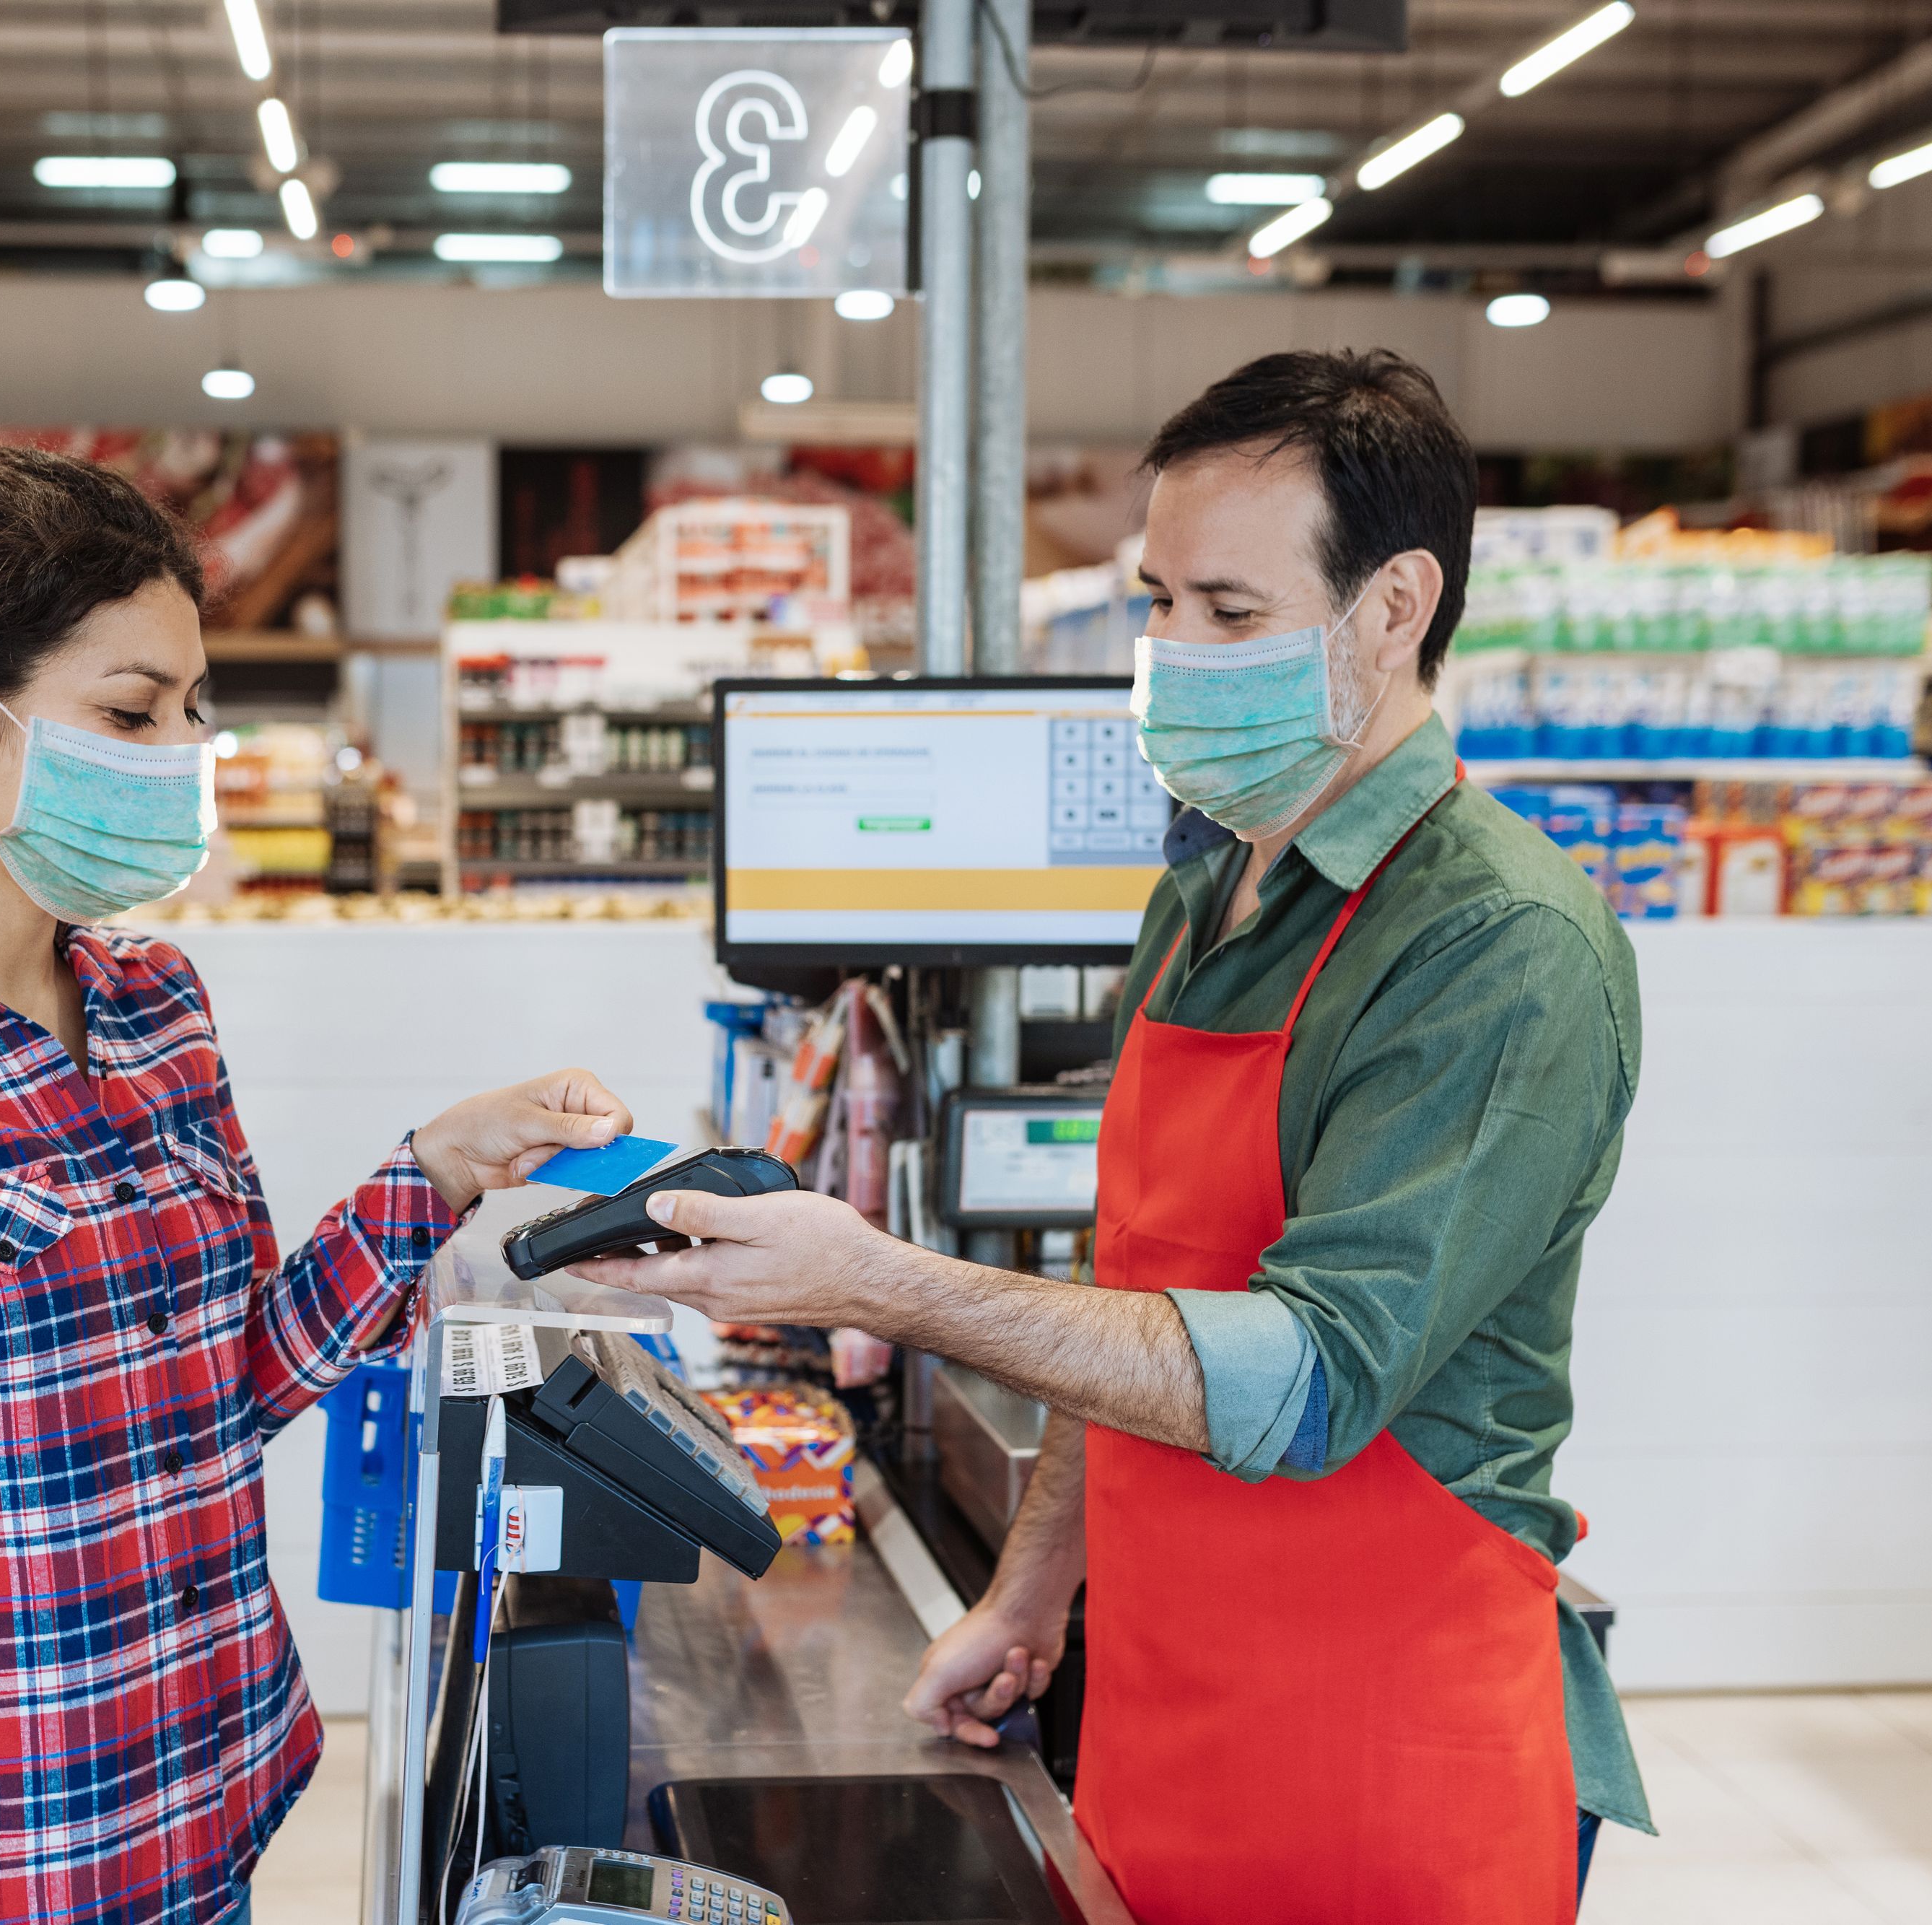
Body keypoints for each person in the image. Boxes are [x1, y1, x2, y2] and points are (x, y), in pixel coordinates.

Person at [571, 351, 1651, 1924]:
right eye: (1158, 602)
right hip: (1158, 1714)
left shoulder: (1497, 944)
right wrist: (1032, 1588)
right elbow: (1131, 1278)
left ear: (1395, 607)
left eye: (1228, 610)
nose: (1170, 654)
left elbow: (1310, 1376)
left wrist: (877, 1280)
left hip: (1377, 1764)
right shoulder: (1205, 892)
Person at [0, 428, 631, 1925]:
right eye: (131, 711)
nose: (178, 756)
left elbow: (227, 1380)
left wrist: (440, 1166)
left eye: (191, 710)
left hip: (206, 1818)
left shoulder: (156, 1006)